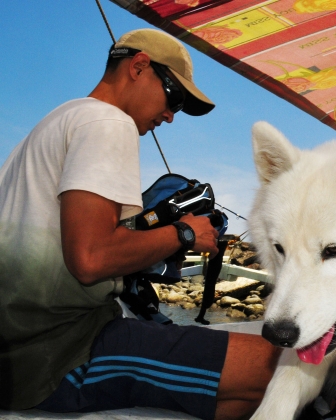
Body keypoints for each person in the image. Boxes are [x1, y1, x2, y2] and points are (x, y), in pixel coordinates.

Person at [0, 28, 280, 419]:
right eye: (174, 98)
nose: (170, 115)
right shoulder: (107, 122)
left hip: (23, 348)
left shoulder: (50, 126)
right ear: (139, 66)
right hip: (58, 354)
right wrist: (185, 232)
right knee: (277, 369)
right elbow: (91, 258)